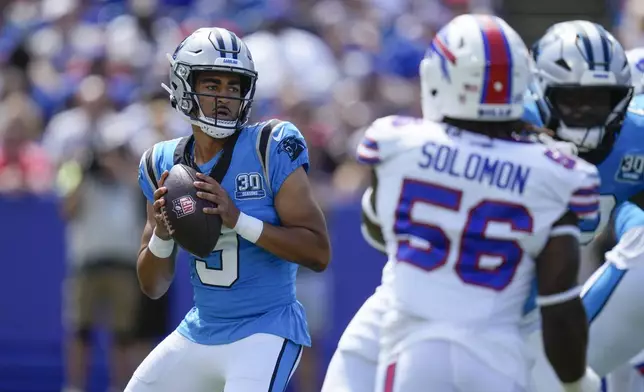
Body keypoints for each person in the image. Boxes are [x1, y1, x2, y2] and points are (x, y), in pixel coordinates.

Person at [329, 13, 601, 392]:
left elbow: (378, 233)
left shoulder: (397, 142)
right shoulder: (557, 172)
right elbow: (559, 299)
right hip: (497, 357)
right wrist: (574, 384)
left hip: (409, 348)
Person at [125, 27, 331, 392]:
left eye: (233, 88)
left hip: (265, 329)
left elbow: (317, 253)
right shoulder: (162, 163)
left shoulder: (270, 146)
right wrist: (161, 233)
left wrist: (238, 220)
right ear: (183, 85)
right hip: (201, 328)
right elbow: (152, 286)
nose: (224, 97)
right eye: (212, 85)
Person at [521, 20, 644, 392]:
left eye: (601, 98)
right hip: (477, 309)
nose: (587, 110)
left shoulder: (634, 138)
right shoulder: (507, 128)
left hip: (545, 319)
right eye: (572, 99)